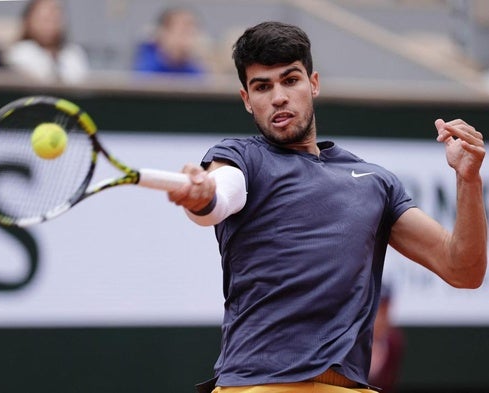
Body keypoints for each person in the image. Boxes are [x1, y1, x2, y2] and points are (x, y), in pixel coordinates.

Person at [167, 21, 487, 393]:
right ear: (246, 99)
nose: (279, 97)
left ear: (313, 83)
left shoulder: (375, 182)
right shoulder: (240, 159)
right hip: (257, 386)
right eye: (262, 86)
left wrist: (468, 180)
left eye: (290, 80)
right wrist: (202, 196)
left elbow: (464, 270)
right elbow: (219, 197)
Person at [4, 0, 90, 83]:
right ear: (29, 21)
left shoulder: (73, 53)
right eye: (44, 19)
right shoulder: (20, 52)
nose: (50, 25)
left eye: (55, 18)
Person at [132, 6, 208, 75]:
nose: (189, 37)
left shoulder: (195, 70)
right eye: (184, 30)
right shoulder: (145, 68)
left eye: (192, 31)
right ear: (164, 33)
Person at [368, 284, 405, 393]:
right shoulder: (351, 340)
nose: (382, 317)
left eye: (385, 309)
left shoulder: (394, 342)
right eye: (378, 310)